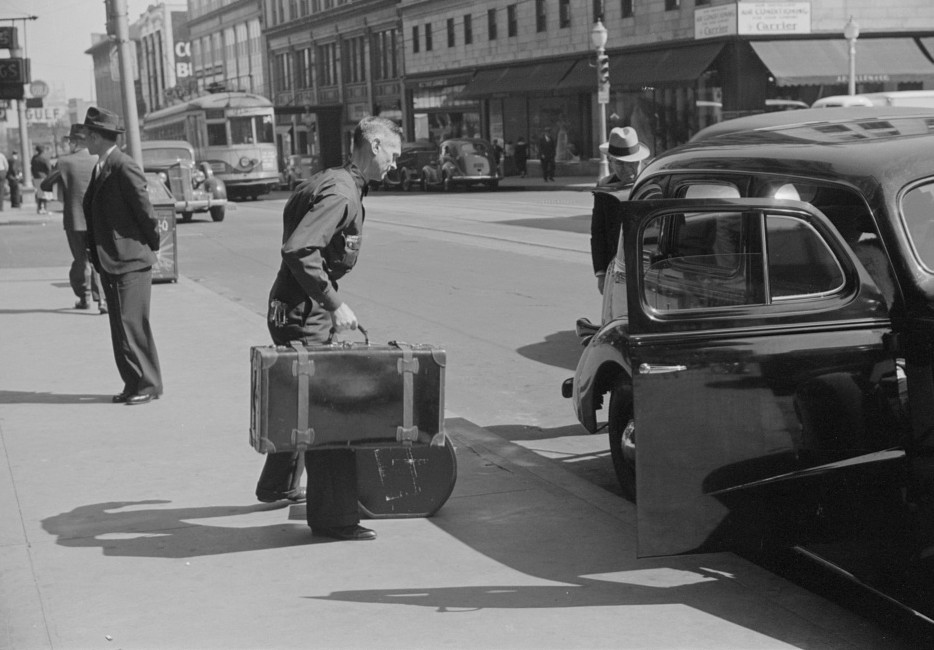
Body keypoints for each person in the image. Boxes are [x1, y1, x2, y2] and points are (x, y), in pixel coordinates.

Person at [258, 115, 403, 542]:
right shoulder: (342, 193)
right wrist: (333, 304)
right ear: (374, 146)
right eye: (393, 155)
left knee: (301, 396)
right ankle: (334, 518)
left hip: (291, 304)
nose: (395, 164)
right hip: (305, 310)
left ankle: (277, 485)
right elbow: (300, 247)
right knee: (331, 415)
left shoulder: (333, 180)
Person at [81, 106, 163, 406]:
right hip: (110, 259)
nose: (85, 140)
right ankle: (133, 382)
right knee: (120, 327)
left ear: (97, 136)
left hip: (131, 259)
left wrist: (150, 244)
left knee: (132, 323)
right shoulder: (102, 165)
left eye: (88, 135)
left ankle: (149, 384)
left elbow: (145, 211)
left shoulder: (123, 165)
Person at [41, 124, 106, 313]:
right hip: (97, 220)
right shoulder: (98, 159)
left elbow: (46, 185)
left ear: (75, 142)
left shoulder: (65, 162)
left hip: (75, 220)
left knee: (81, 260)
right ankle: (102, 300)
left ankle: (84, 296)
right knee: (97, 260)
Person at [591, 126, 650, 294]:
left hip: (648, 265)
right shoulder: (605, 188)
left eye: (632, 163)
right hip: (615, 266)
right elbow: (598, 231)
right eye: (620, 164)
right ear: (610, 161)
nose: (627, 170)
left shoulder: (651, 181)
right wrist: (601, 274)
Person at [31, 145, 53, 214]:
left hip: (36, 177)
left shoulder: (34, 158)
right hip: (44, 177)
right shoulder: (44, 158)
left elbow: (32, 168)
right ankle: (44, 208)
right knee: (45, 194)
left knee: (39, 194)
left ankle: (39, 208)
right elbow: (49, 168)